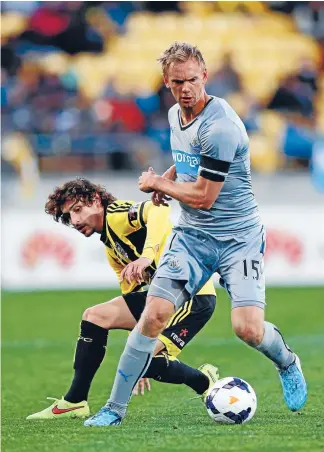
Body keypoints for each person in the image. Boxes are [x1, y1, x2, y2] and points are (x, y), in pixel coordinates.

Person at [86, 42, 307, 427]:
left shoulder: (221, 126)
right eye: (177, 83)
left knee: (248, 329)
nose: (185, 89)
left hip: (238, 238)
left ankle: (287, 361)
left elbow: (204, 196)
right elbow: (188, 156)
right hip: (191, 237)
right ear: (167, 83)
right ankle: (113, 410)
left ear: (205, 76)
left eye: (192, 80)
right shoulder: (176, 114)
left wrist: (157, 182)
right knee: (153, 315)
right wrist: (170, 178)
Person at [27, 178, 218, 420]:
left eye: (77, 210)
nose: (74, 221)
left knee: (143, 361)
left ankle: (204, 382)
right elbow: (132, 296)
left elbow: (158, 209)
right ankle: (75, 401)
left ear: (96, 200)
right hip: (161, 297)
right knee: (95, 317)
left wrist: (147, 256)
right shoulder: (111, 247)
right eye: (68, 217)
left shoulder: (117, 214)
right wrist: (135, 347)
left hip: (192, 296)